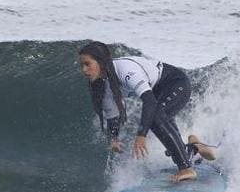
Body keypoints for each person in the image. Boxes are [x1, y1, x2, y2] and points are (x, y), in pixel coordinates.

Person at [78, 41, 214, 182]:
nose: (84, 69)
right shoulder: (104, 84)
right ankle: (194, 148)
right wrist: (114, 138)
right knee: (158, 119)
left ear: (101, 61)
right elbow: (112, 115)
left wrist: (141, 135)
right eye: (82, 65)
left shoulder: (126, 70)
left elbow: (149, 101)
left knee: (154, 118)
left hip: (175, 83)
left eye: (88, 64)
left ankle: (186, 168)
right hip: (158, 91)